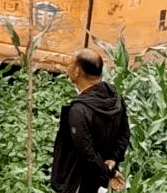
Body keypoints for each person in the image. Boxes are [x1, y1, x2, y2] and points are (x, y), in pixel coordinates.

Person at [50, 48, 130, 193]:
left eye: (70, 65)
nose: (67, 69)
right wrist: (112, 161)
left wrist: (109, 173)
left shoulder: (79, 110)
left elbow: (86, 152)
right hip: (99, 184)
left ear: (77, 71)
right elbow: (124, 136)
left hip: (77, 184)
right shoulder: (116, 100)